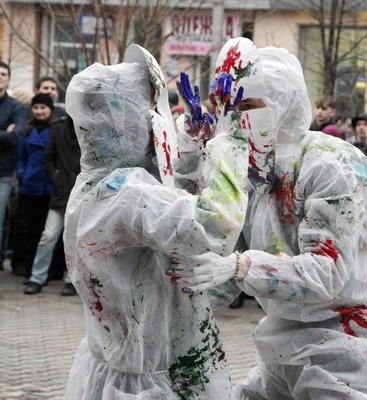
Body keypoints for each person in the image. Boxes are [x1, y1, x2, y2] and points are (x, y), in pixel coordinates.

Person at [169, 37, 367, 399]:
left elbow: (329, 273)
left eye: (249, 106)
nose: (237, 120)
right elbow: (219, 257)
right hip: (284, 339)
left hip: (347, 343)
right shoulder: (251, 170)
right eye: (231, 107)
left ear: (283, 103)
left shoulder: (328, 163)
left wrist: (242, 266)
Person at [62, 44, 250, 398]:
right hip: (152, 382)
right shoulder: (127, 194)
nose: (158, 119)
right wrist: (231, 145)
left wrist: (191, 156)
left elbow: (168, 214)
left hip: (116, 367)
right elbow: (212, 226)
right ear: (124, 121)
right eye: (149, 109)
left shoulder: (94, 185)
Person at [23, 114, 80, 296]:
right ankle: (37, 277)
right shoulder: (59, 126)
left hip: (81, 191)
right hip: (61, 190)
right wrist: (55, 177)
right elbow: (49, 156)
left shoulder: (90, 123)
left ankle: (72, 279)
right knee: (48, 236)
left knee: (75, 239)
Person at [10, 93, 55, 278]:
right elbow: (21, 157)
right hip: (29, 186)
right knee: (30, 230)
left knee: (48, 232)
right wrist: (22, 173)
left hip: (48, 186)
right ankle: (30, 269)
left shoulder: (55, 130)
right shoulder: (27, 131)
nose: (39, 111)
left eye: (43, 107)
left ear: (50, 110)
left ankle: (51, 270)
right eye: (36, 108)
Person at [0, 61, 28, 268]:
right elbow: (8, 137)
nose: (0, 76)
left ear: (8, 78)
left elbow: (16, 137)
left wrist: (10, 136)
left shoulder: (16, 107)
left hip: (3, 172)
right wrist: (4, 134)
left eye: (3, 73)